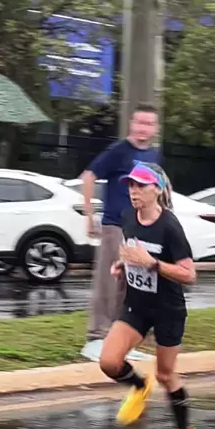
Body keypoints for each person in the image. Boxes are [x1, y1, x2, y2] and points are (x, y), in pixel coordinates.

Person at [99, 161, 199, 429]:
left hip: (167, 309)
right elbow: (132, 250)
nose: (134, 191)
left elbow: (189, 274)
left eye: (140, 186)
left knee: (166, 374)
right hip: (137, 304)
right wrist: (123, 264)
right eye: (131, 185)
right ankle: (140, 386)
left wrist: (152, 264)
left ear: (156, 189)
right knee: (109, 361)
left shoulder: (170, 226)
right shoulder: (128, 217)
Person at [81, 104, 160, 362]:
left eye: (148, 123)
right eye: (139, 122)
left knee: (129, 286)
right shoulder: (119, 151)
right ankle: (95, 338)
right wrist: (89, 215)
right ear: (131, 124)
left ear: (155, 128)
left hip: (137, 229)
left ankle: (120, 340)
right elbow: (89, 176)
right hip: (115, 225)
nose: (143, 128)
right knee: (108, 281)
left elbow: (157, 190)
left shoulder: (154, 155)